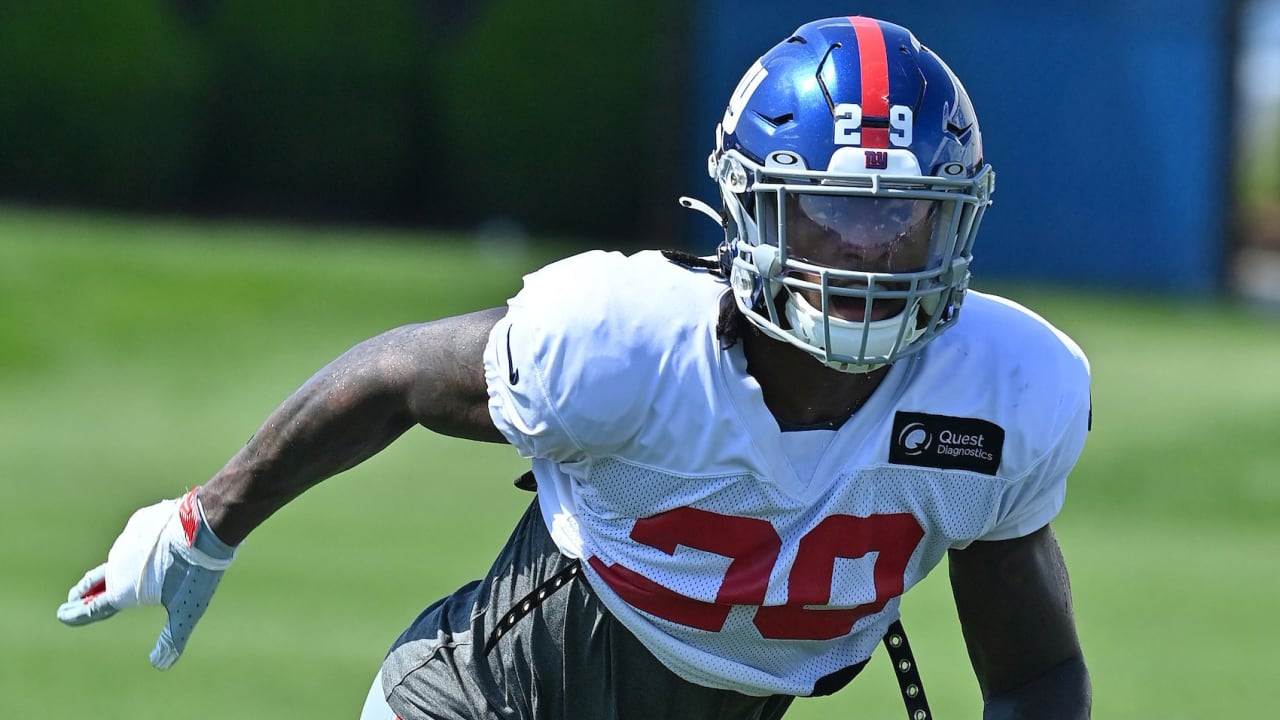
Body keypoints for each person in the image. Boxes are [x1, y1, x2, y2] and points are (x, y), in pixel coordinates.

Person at [57, 16, 1092, 720]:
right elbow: (395, 376)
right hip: (479, 702)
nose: (867, 249)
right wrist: (205, 522)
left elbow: (1035, 672)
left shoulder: (997, 395)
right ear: (752, 208)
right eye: (832, 208)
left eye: (900, 213)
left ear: (954, 223)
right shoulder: (625, 342)